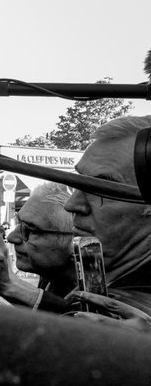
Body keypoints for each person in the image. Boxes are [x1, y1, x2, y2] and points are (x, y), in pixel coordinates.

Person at [63, 115, 151, 312]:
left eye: (102, 188)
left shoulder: (124, 320)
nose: (72, 204)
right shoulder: (98, 279)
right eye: (78, 182)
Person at [0, 184, 77, 312]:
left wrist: (8, 284)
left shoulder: (99, 296)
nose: (12, 237)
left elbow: (72, 324)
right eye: (19, 223)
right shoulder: (52, 278)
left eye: (30, 229)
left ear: (74, 238)